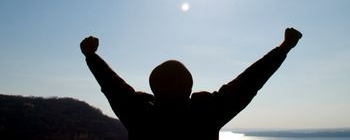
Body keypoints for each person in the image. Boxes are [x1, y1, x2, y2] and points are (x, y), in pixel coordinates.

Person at [80, 27, 302, 140]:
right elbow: (249, 82)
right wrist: (283, 48)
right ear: (190, 87)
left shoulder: (138, 115)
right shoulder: (207, 114)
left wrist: (91, 56)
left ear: (153, 88)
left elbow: (111, 84)